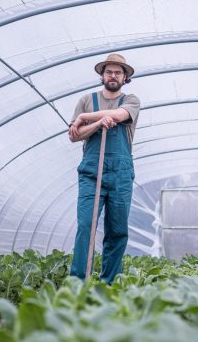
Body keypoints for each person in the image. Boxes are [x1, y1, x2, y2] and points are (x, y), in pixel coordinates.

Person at [68, 53, 140, 283]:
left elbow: (120, 115)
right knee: (86, 226)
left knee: (117, 230)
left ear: (125, 76)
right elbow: (74, 135)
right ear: (102, 75)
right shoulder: (86, 99)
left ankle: (108, 283)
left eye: (118, 72)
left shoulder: (132, 100)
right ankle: (78, 283)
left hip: (120, 173)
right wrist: (98, 123)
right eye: (109, 71)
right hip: (92, 172)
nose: (113, 75)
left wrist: (84, 117)